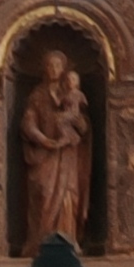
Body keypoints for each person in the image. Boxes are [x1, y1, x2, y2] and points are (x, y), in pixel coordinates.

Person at [20, 47, 91, 245]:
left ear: (63, 69)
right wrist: (43, 139)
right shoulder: (37, 95)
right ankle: (41, 241)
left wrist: (77, 121)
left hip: (67, 154)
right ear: (44, 68)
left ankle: (67, 240)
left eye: (58, 65)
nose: (53, 69)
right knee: (43, 192)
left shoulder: (71, 93)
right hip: (45, 155)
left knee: (68, 196)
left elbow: (84, 128)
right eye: (50, 65)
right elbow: (28, 123)